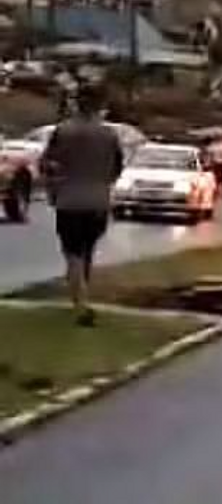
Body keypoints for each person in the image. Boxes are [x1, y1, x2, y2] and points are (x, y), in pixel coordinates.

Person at [40, 85, 124, 326]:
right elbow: (117, 168)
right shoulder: (109, 135)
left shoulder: (63, 132)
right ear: (100, 106)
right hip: (98, 201)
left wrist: (54, 186)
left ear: (77, 103)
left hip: (69, 200)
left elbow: (47, 164)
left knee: (73, 253)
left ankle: (81, 306)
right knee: (86, 250)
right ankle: (81, 296)